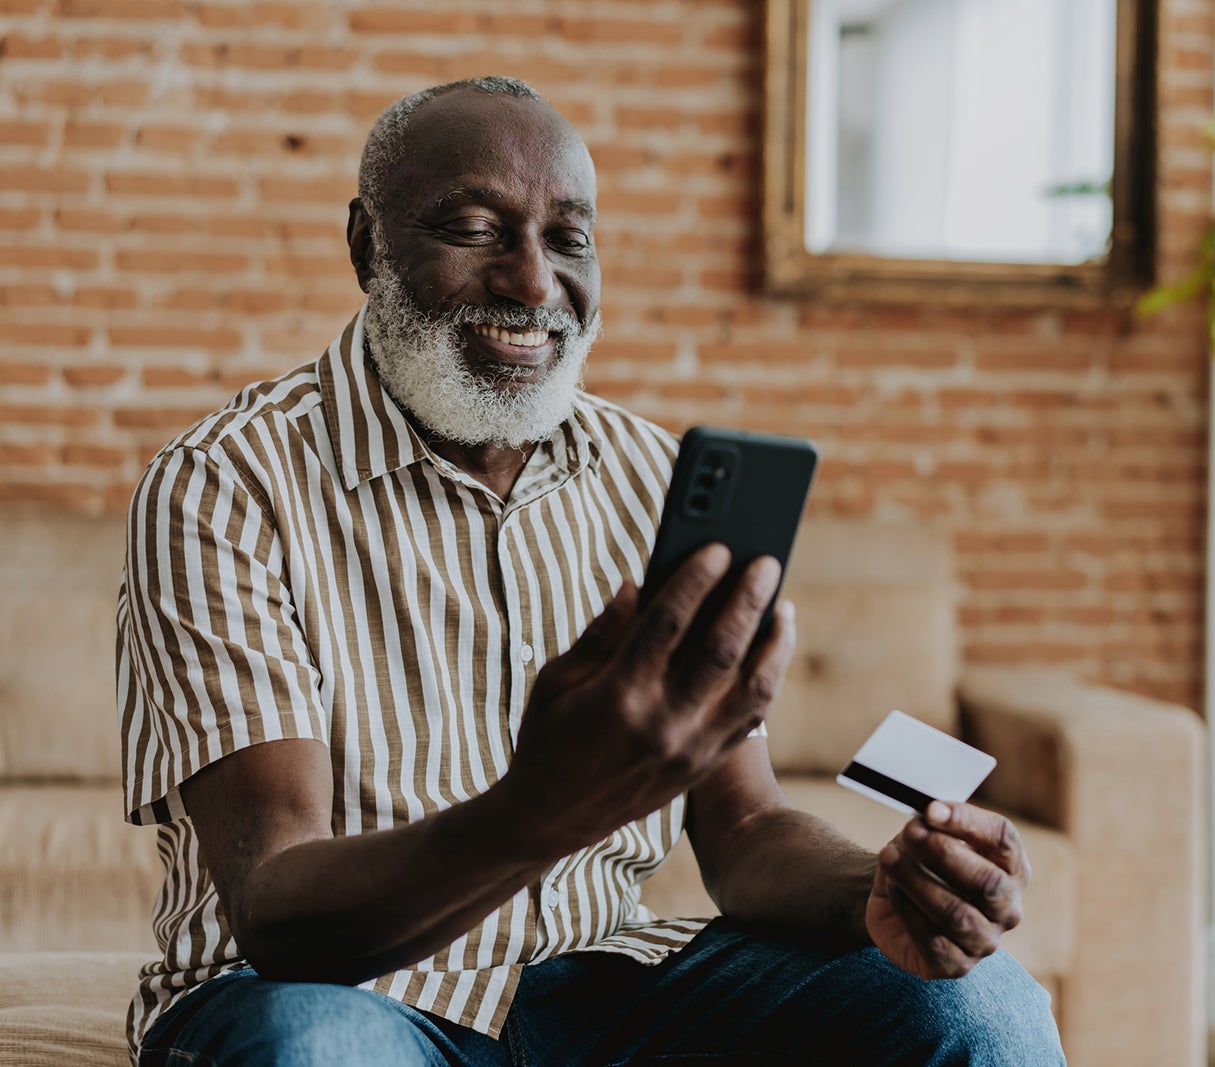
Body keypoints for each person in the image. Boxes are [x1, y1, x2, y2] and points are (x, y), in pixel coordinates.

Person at [118, 75, 1066, 1067]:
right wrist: (546, 802)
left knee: (979, 1006)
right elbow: (277, 908)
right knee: (307, 1046)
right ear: (367, 244)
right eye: (475, 229)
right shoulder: (225, 483)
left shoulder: (657, 479)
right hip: (340, 997)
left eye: (567, 238)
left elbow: (745, 830)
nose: (532, 283)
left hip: (600, 993)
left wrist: (879, 887)